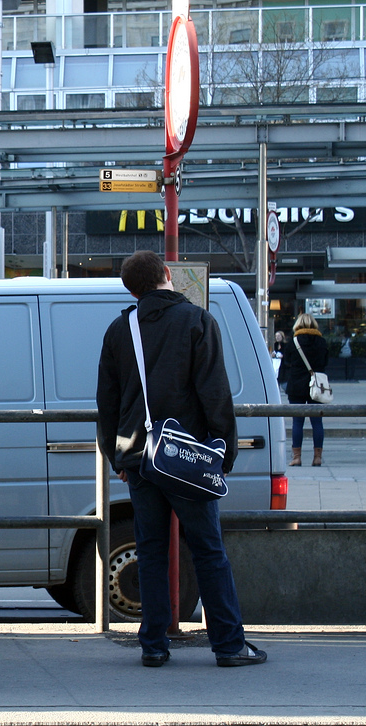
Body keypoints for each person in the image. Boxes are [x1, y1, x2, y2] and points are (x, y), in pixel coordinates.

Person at [96, 250, 267, 668]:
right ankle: (228, 644)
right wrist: (223, 450)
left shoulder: (121, 330)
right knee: (208, 550)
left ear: (132, 289)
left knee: (150, 550)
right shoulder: (197, 322)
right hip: (187, 458)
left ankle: (154, 644)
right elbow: (215, 392)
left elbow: (108, 401)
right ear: (167, 275)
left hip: (139, 457)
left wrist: (115, 453)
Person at [279, 313, 329, 467]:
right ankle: (317, 457)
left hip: (296, 386)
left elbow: (287, 362)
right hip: (316, 386)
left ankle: (297, 457)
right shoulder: (321, 342)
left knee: (297, 422)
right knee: (317, 422)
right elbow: (325, 362)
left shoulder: (293, 343)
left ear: (297, 326)